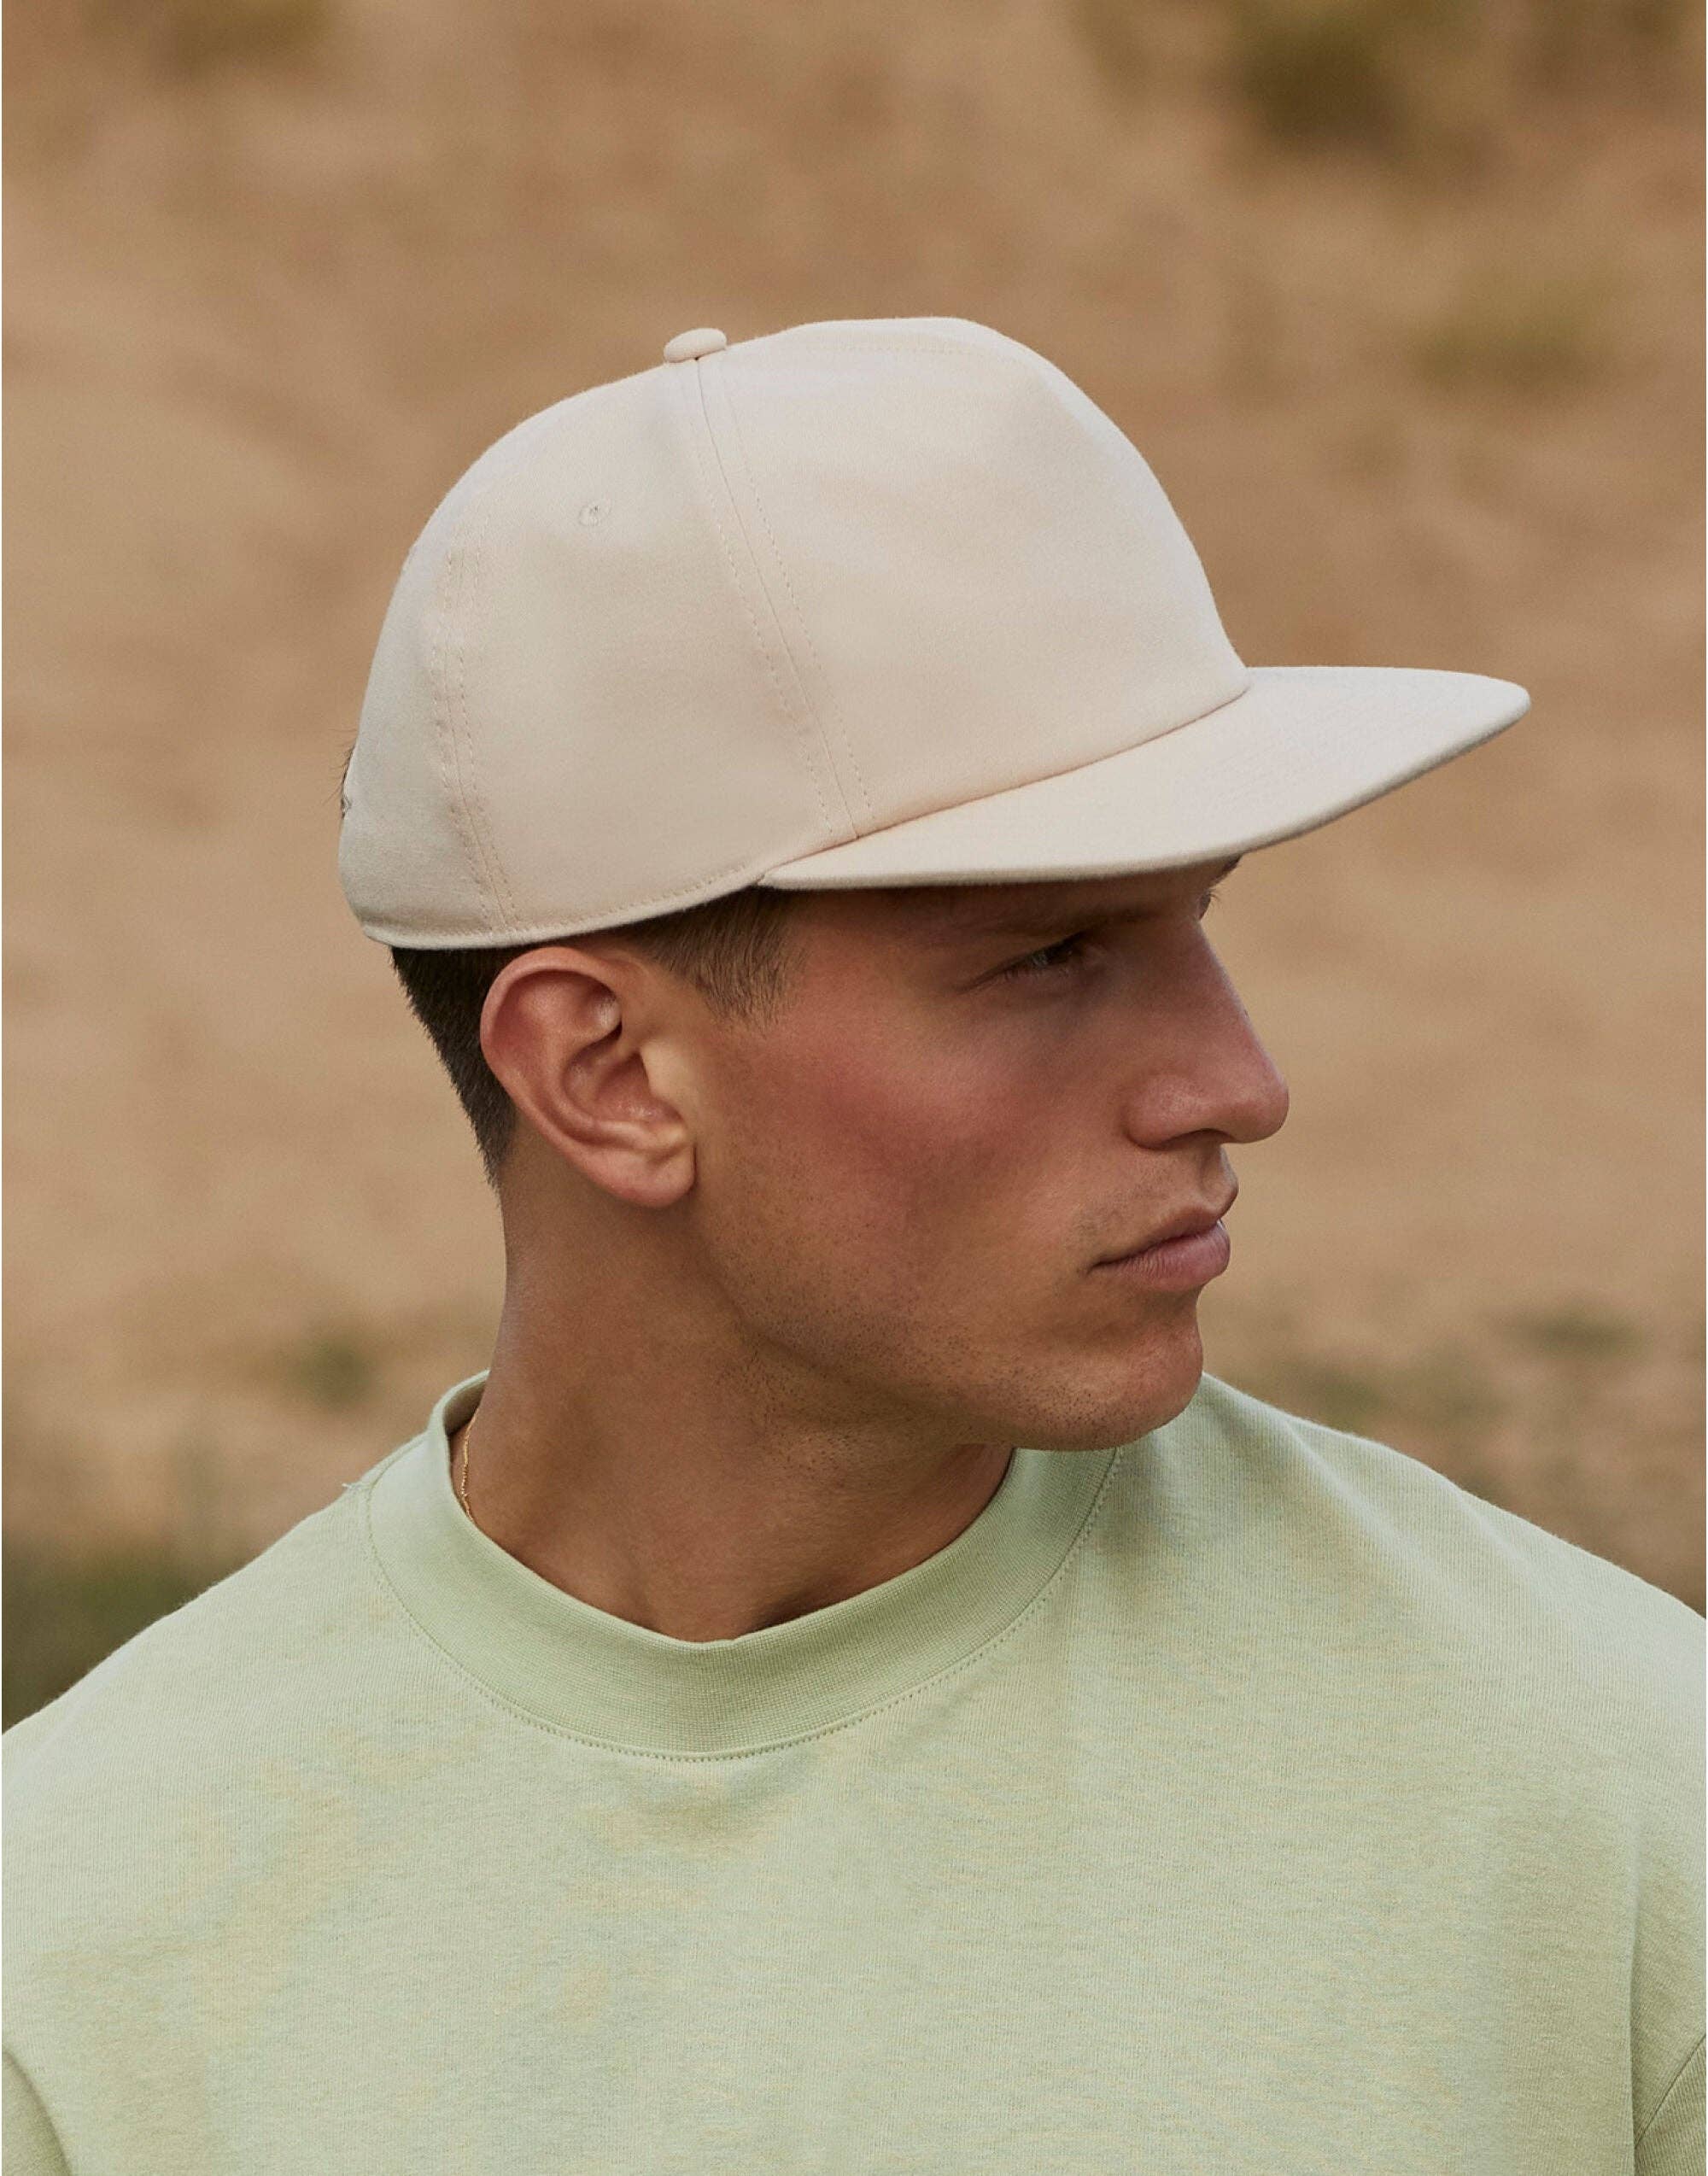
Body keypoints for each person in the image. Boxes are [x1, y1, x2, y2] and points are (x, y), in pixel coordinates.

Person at [4, 316, 1699, 2173]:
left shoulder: (1617, 1799)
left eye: (1195, 919)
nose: (1236, 1081)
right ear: (607, 1074)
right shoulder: (77, 1958)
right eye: (1050, 957)